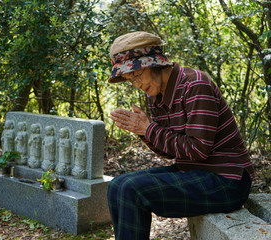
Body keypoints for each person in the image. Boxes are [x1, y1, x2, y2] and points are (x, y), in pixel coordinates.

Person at [107, 31, 254, 240]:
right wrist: (142, 131)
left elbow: (198, 150)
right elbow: (168, 151)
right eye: (131, 80)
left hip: (228, 181)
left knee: (132, 190)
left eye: (138, 75)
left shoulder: (195, 84)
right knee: (117, 186)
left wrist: (149, 129)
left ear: (154, 64)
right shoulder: (155, 94)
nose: (137, 84)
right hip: (192, 171)